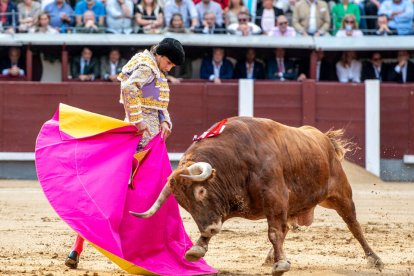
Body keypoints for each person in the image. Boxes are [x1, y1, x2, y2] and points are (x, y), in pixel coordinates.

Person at [65, 38, 186, 269]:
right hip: (140, 143)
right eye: (169, 62)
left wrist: (165, 121)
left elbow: (157, 103)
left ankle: (77, 248)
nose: (169, 68)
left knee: (111, 195)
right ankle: (146, 250)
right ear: (159, 54)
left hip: (148, 142)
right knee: (128, 196)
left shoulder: (153, 66)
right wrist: (138, 122)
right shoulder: (147, 67)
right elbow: (129, 88)